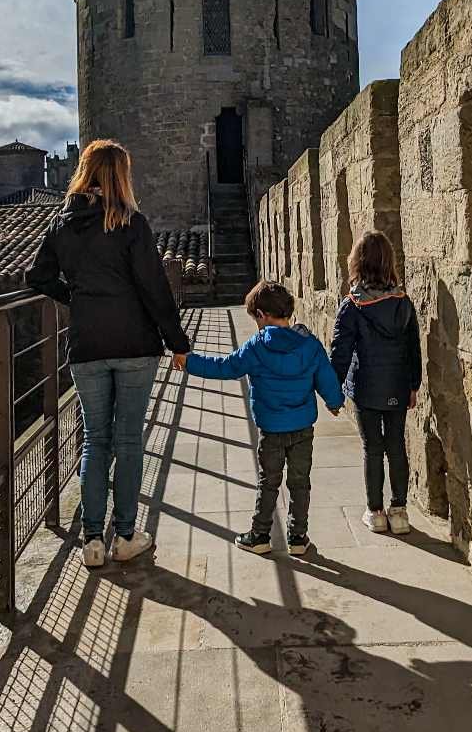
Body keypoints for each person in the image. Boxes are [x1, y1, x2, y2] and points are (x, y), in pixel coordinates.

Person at [26, 139, 190, 569]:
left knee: (95, 440)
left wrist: (76, 296)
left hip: (87, 345)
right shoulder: (132, 223)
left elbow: (36, 276)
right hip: (135, 344)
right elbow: (154, 288)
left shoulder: (61, 224)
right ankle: (126, 535)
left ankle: (93, 540)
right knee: (129, 439)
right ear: (120, 176)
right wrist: (178, 343)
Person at [175, 279, 342, 556]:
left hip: (271, 429)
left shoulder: (256, 347)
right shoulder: (310, 345)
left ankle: (260, 535)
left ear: (262, 315)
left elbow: (225, 367)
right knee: (300, 482)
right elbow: (325, 377)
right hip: (302, 427)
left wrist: (189, 362)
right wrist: (334, 402)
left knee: (268, 482)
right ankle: (298, 537)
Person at [329, 230, 422, 536]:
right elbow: (413, 347)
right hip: (397, 384)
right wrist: (413, 385)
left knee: (372, 448)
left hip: (366, 387)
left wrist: (332, 392)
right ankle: (400, 511)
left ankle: (376, 512)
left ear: (357, 262)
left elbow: (340, 353)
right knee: (396, 445)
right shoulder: (403, 302)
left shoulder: (352, 306)